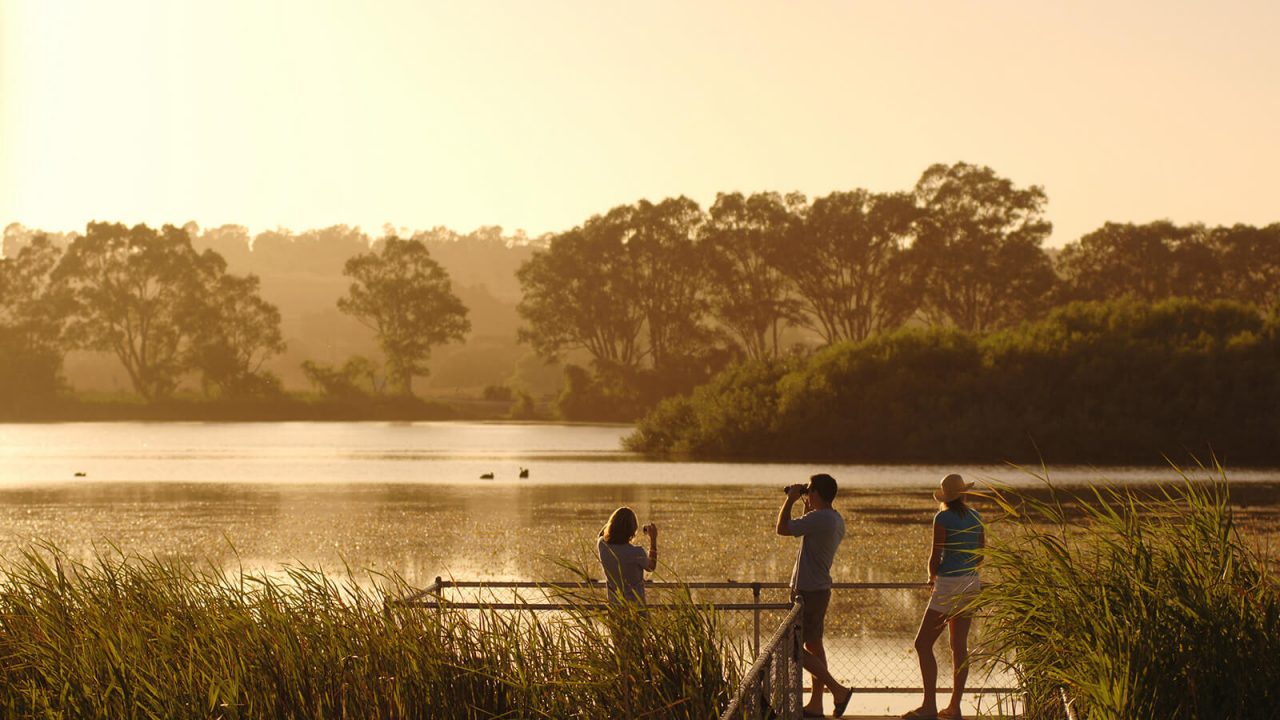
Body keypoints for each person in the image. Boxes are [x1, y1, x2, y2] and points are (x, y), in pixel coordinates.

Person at [902, 473, 985, 720]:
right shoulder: (977, 517)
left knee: (922, 644)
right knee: (959, 647)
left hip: (948, 585)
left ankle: (929, 707)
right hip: (971, 585)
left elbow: (935, 555)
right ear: (964, 494)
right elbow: (981, 555)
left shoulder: (943, 517)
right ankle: (955, 708)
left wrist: (931, 576)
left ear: (946, 497)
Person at [777, 473, 853, 718]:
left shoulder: (819, 518)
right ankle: (816, 703)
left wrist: (790, 500)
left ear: (818, 493)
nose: (806, 493)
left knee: (793, 648)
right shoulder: (833, 518)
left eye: (809, 490)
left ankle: (838, 689)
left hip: (807, 591)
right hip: (818, 589)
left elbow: (782, 529)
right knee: (814, 645)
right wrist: (806, 503)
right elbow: (808, 524)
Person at [597, 506, 658, 604]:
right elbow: (651, 567)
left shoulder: (603, 546)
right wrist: (653, 539)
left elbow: (601, 534)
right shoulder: (637, 553)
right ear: (633, 530)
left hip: (615, 610)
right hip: (637, 610)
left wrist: (614, 522)